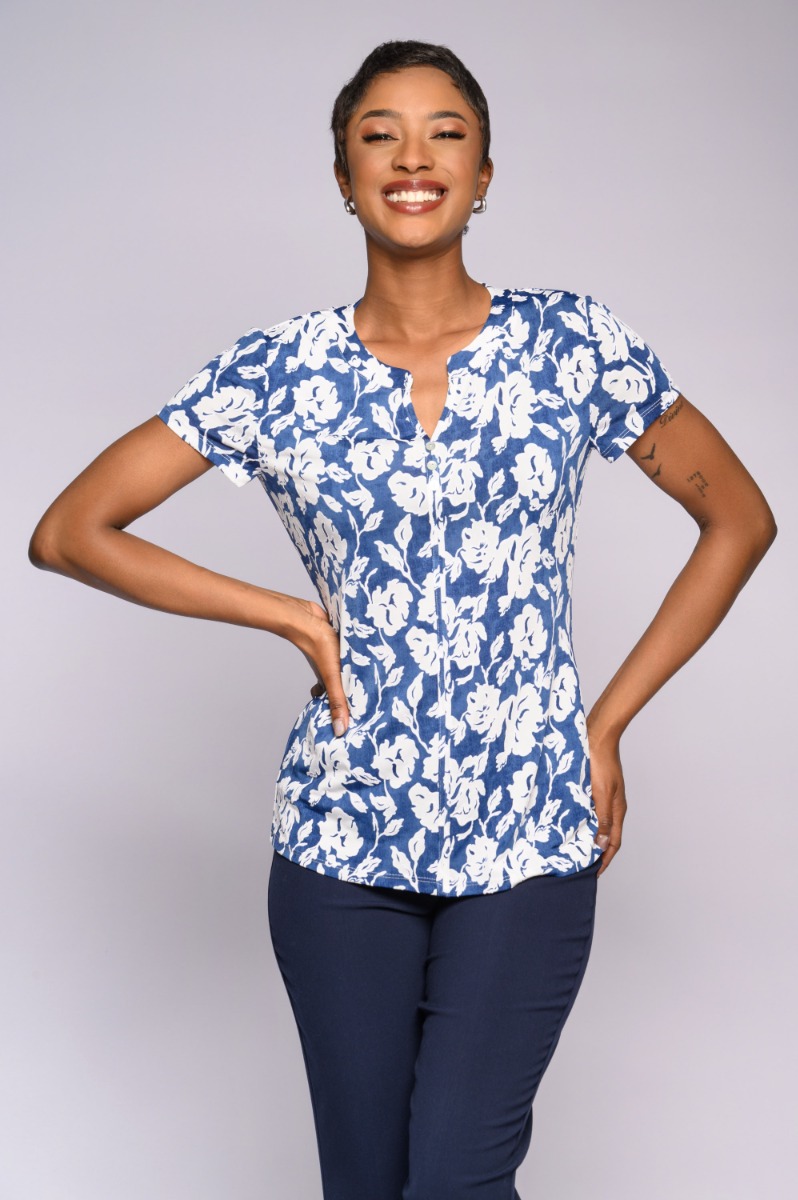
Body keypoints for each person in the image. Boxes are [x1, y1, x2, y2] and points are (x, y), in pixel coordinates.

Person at [29, 37, 776, 1200]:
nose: (413, 159)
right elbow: (70, 531)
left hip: (529, 823)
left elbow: (739, 519)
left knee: (455, 1179)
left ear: (485, 174)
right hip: (340, 836)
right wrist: (288, 615)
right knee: (368, 1186)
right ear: (344, 177)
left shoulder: (574, 345)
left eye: (446, 135)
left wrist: (607, 723)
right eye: (380, 136)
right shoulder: (277, 371)